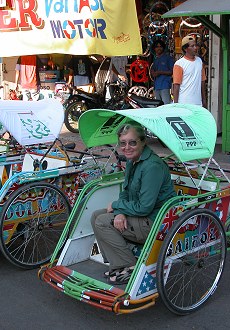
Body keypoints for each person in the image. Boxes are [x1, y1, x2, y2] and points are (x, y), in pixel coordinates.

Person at [91, 122, 176, 285]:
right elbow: (126, 191)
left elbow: (145, 207)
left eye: (132, 142)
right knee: (95, 215)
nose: (127, 147)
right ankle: (118, 266)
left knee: (102, 222)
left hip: (155, 222)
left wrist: (117, 206)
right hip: (138, 216)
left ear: (143, 142)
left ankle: (129, 266)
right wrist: (120, 212)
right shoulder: (132, 161)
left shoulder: (152, 166)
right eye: (123, 143)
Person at [172, 35, 207, 107]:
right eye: (192, 46)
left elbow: (202, 82)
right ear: (185, 49)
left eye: (196, 45)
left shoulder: (199, 61)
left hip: (197, 103)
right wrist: (176, 105)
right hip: (184, 103)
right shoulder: (179, 64)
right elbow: (176, 86)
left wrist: (204, 100)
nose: (195, 48)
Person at [150, 40, 175, 104]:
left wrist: (159, 72)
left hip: (165, 85)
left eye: (160, 46)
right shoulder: (156, 59)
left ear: (163, 48)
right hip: (156, 86)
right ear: (154, 48)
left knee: (166, 106)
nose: (159, 48)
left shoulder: (168, 58)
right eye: (157, 47)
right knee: (158, 106)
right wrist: (152, 72)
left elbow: (172, 71)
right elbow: (152, 70)